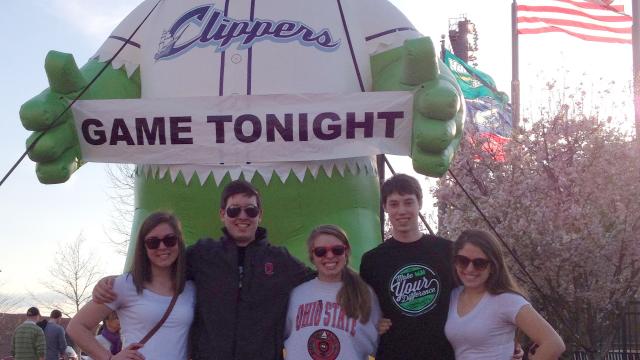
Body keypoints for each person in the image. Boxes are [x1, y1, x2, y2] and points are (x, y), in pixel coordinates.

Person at [94, 180, 315, 360]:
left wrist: (349, 282)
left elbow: (322, 280)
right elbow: (163, 266)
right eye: (234, 210)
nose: (243, 216)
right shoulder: (203, 254)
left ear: (260, 214)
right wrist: (112, 280)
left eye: (251, 210)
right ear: (222, 214)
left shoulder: (281, 261)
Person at [67, 212, 195, 360]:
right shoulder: (124, 285)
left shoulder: (191, 288)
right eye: (153, 242)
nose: (162, 246)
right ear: (143, 247)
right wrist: (109, 358)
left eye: (170, 240)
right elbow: (76, 326)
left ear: (179, 242)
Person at [359, 174, 455, 360]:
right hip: (394, 353)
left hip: (443, 353)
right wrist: (373, 322)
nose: (401, 210)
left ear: (419, 203)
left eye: (408, 202)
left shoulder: (446, 250)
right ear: (385, 207)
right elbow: (362, 311)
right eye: (394, 204)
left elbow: (472, 299)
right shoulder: (373, 260)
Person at [444, 229, 565, 360]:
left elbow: (553, 343)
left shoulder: (507, 300)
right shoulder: (452, 296)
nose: (469, 269)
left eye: (479, 263)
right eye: (463, 261)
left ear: (493, 266)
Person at [284, 225, 381, 359]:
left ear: (346, 252)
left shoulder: (364, 294)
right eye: (320, 251)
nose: (329, 256)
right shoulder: (296, 295)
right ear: (312, 256)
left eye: (337, 250)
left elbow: (381, 345)